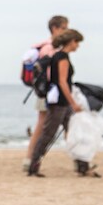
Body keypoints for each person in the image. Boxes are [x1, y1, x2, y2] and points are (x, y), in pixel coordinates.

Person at [27, 29, 97, 177]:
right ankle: (33, 166)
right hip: (60, 103)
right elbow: (62, 82)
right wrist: (73, 103)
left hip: (60, 102)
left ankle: (82, 166)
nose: (78, 46)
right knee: (49, 134)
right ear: (71, 42)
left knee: (73, 132)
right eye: (77, 42)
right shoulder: (62, 58)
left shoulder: (58, 56)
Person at [23, 15, 69, 173]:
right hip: (49, 91)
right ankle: (30, 159)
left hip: (47, 91)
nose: (66, 31)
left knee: (42, 125)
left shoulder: (47, 46)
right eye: (64, 28)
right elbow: (50, 72)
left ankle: (29, 159)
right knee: (42, 126)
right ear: (55, 28)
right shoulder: (49, 47)